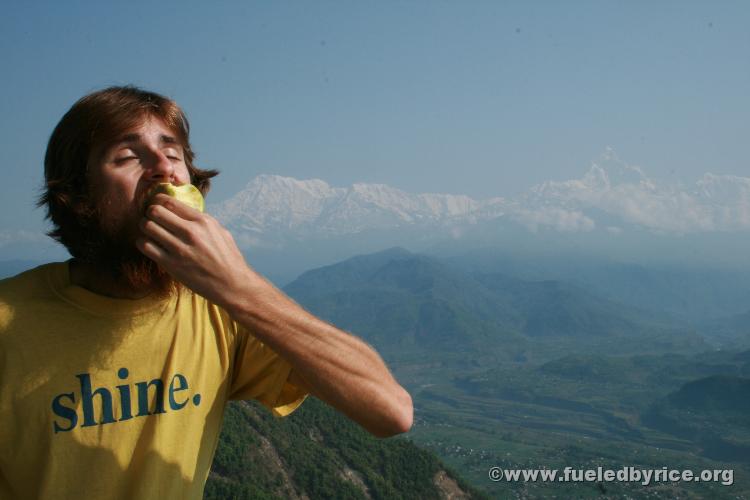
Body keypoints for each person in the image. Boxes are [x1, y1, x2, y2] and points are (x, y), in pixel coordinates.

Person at [0, 86, 413, 499]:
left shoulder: (218, 307)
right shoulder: (10, 320)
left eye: (174, 153)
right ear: (77, 196)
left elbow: (389, 411)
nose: (163, 167)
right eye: (127, 156)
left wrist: (238, 285)